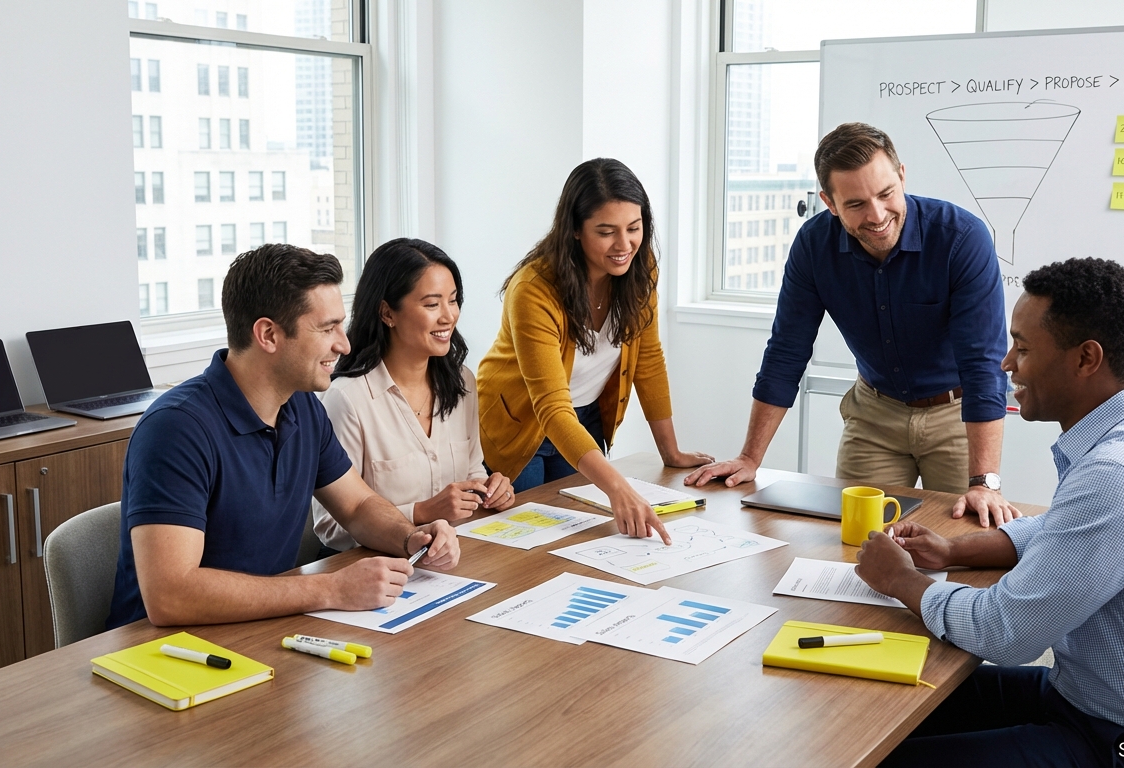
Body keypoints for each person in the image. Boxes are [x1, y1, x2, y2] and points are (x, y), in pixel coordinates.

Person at [853, 258, 1124, 767]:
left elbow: (1004, 632)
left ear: (1086, 359)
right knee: (890, 695)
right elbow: (1064, 529)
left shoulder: (1120, 474)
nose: (1006, 362)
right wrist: (953, 549)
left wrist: (902, 580)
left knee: (888, 753)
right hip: (1094, 698)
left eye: (1023, 346)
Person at [107, 244, 461, 629]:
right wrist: (331, 590)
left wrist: (410, 538)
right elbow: (171, 596)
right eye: (327, 328)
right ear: (268, 335)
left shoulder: (303, 407)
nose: (343, 344)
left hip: (261, 629)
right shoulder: (175, 429)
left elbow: (357, 506)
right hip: (167, 655)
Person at [686, 122, 1018, 527]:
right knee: (855, 544)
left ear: (901, 176)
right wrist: (750, 458)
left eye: (885, 194)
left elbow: (983, 363)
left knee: (963, 537)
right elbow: (787, 351)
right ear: (829, 202)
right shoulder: (813, 245)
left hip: (956, 414)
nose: (877, 216)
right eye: (856, 204)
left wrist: (986, 481)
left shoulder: (961, 238)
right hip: (874, 414)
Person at [477, 158, 712, 544]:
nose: (624, 245)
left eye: (634, 229)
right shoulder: (533, 289)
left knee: (585, 538)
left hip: (585, 420)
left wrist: (671, 452)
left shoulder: (639, 268)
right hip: (520, 426)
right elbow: (551, 407)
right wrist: (618, 487)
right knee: (528, 546)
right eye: (606, 232)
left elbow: (648, 363)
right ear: (574, 229)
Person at [312, 238, 515, 555]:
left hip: (454, 558)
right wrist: (422, 512)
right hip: (379, 568)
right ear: (387, 313)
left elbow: (473, 471)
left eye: (453, 300)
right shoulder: (347, 399)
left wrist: (489, 491)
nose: (448, 316)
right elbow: (331, 528)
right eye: (432, 305)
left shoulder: (462, 383)